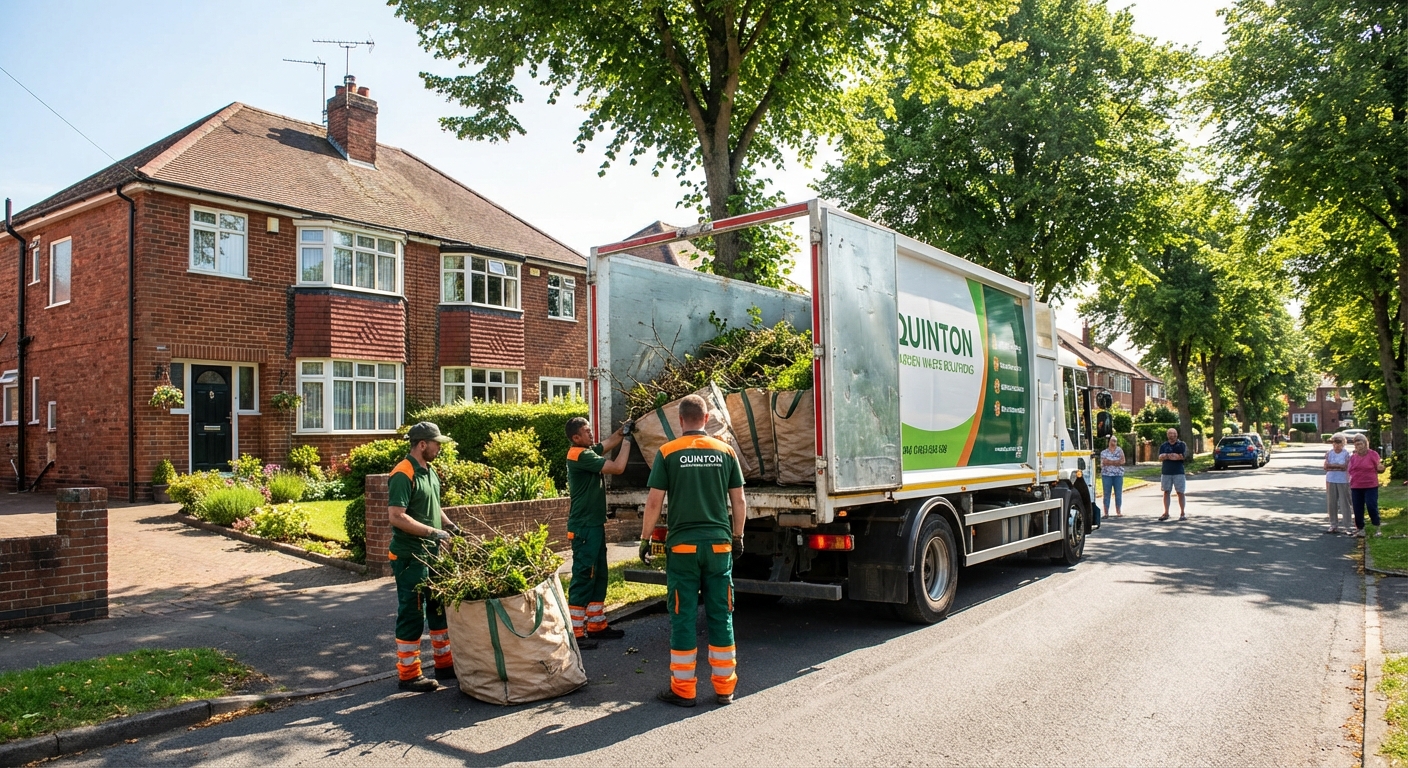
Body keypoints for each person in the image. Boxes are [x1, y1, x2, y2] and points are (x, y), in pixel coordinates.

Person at [638, 394, 747, 707]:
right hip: (718, 546)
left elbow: (655, 501)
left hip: (683, 548)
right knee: (721, 614)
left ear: (680, 420)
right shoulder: (725, 451)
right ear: (707, 416)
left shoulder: (668, 452)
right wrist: (737, 535)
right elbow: (739, 501)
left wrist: (646, 538)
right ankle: (725, 688)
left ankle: (684, 690)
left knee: (683, 616)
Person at [387, 421, 460, 692]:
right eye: (436, 443)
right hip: (411, 556)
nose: (439, 447)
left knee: (439, 608)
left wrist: (450, 526)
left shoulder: (429, 471)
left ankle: (444, 663)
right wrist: (434, 533)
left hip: (432, 554)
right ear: (422, 444)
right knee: (412, 612)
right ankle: (408, 674)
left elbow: (434, 507)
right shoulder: (403, 473)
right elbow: (397, 517)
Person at [565, 416, 633, 649]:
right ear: (576, 438)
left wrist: (623, 430)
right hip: (584, 527)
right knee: (584, 575)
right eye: (586, 431)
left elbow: (608, 441)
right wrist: (628, 442)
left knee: (600, 573)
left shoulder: (586, 450)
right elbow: (618, 467)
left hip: (593, 525)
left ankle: (596, 624)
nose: (591, 434)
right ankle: (575, 632)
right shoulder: (580, 455)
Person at [1348, 434, 1386, 538]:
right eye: (1356, 445)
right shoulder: (1353, 457)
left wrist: (1381, 467)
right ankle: (1360, 529)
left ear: (1365, 444)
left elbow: (1380, 467)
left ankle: (1377, 527)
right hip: (1356, 485)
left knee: (1371, 505)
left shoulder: (1373, 454)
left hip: (1370, 485)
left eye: (1360, 444)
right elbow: (1350, 471)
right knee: (1357, 508)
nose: (1358, 446)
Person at [1324, 434, 1353, 534]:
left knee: (1344, 503)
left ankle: (1347, 526)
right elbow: (1326, 467)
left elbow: (1345, 467)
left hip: (1343, 480)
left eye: (1339, 442)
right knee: (1332, 503)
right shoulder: (1329, 453)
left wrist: (1333, 466)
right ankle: (1333, 524)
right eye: (1335, 442)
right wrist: (1337, 466)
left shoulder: (1346, 454)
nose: (1337, 445)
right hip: (1331, 479)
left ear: (1343, 443)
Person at [1158, 427, 1188, 521]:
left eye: (1174, 433)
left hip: (1178, 472)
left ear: (1176, 434)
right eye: (1170, 433)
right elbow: (1160, 457)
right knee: (1166, 492)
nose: (1172, 435)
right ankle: (1166, 513)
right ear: (1167, 435)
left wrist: (1167, 456)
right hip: (1166, 472)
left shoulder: (1181, 445)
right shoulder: (1163, 446)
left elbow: (1182, 457)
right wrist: (1170, 456)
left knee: (1180, 492)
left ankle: (1182, 513)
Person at [1100, 435, 1125, 518]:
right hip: (1106, 475)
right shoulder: (1104, 452)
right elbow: (1104, 462)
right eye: (1112, 441)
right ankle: (1106, 513)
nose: (1114, 442)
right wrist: (1116, 461)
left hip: (1118, 475)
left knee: (1118, 493)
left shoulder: (1119, 450)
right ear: (1109, 442)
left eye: (1115, 441)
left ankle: (1118, 511)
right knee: (1106, 493)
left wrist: (1110, 461)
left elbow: (1122, 461)